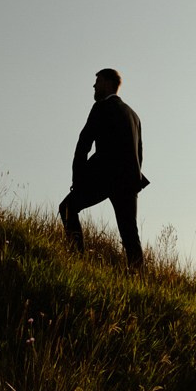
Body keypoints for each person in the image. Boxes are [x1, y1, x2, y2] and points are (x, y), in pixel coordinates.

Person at [59, 68, 148, 267]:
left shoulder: (100, 107)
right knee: (129, 232)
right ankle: (139, 275)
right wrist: (134, 181)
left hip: (104, 176)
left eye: (97, 81)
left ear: (108, 83)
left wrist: (77, 179)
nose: (94, 85)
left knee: (67, 208)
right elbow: (139, 153)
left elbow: (83, 144)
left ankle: (77, 259)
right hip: (129, 181)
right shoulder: (134, 115)